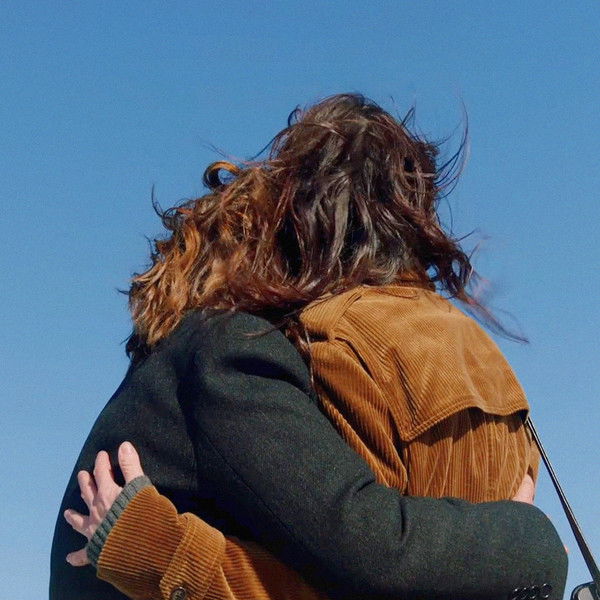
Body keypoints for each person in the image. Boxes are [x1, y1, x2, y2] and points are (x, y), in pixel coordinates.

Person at [51, 94, 567, 600]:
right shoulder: (226, 350)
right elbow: (367, 551)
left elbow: (336, 564)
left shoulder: (189, 363)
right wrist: (527, 541)